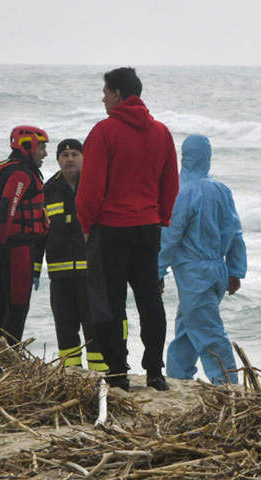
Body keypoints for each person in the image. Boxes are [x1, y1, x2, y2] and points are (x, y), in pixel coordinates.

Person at [77, 67, 179, 392]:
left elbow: (90, 188)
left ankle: (118, 371)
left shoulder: (104, 132)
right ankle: (154, 372)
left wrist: (85, 224)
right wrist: (160, 217)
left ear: (118, 95)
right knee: (150, 298)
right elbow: (170, 185)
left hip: (110, 228)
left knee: (110, 302)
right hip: (148, 227)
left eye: (105, 91)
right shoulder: (161, 132)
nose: (102, 97)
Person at [158, 135, 247, 385]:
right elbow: (236, 232)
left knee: (208, 332)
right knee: (188, 327)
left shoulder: (183, 192)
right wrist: (235, 270)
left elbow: (170, 235)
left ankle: (228, 384)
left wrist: (157, 270)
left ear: (184, 156)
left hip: (194, 272)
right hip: (218, 268)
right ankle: (178, 377)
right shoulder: (221, 189)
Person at [43, 139, 106, 371]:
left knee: (95, 328)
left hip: (92, 275)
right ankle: (70, 375)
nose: (69, 158)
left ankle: (100, 376)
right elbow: (40, 234)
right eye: (64, 154)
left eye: (75, 154)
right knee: (65, 329)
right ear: (58, 159)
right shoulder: (47, 190)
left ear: (84, 157)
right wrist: (34, 269)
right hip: (60, 277)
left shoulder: (96, 186)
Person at [0, 126, 49, 345]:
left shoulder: (4, 168)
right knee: (17, 307)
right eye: (42, 147)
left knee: (1, 305)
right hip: (16, 249)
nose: (45, 153)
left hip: (7, 249)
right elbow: (6, 212)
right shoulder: (19, 174)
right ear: (27, 145)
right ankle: (9, 358)